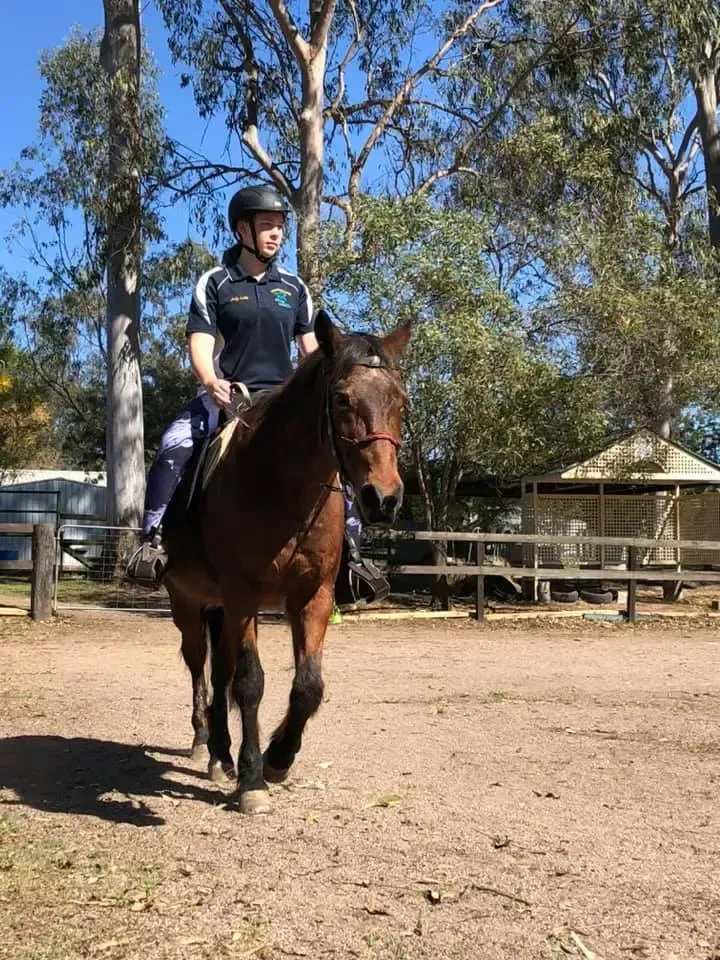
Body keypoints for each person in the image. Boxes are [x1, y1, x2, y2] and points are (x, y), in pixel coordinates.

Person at [127, 183, 389, 607]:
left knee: (337, 457)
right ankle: (152, 541)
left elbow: (311, 350)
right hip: (228, 395)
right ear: (242, 231)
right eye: (267, 226)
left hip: (281, 401)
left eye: (280, 227)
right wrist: (210, 380)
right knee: (174, 445)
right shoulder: (215, 282)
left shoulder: (294, 287)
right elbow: (199, 339)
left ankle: (353, 560)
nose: (276, 234)